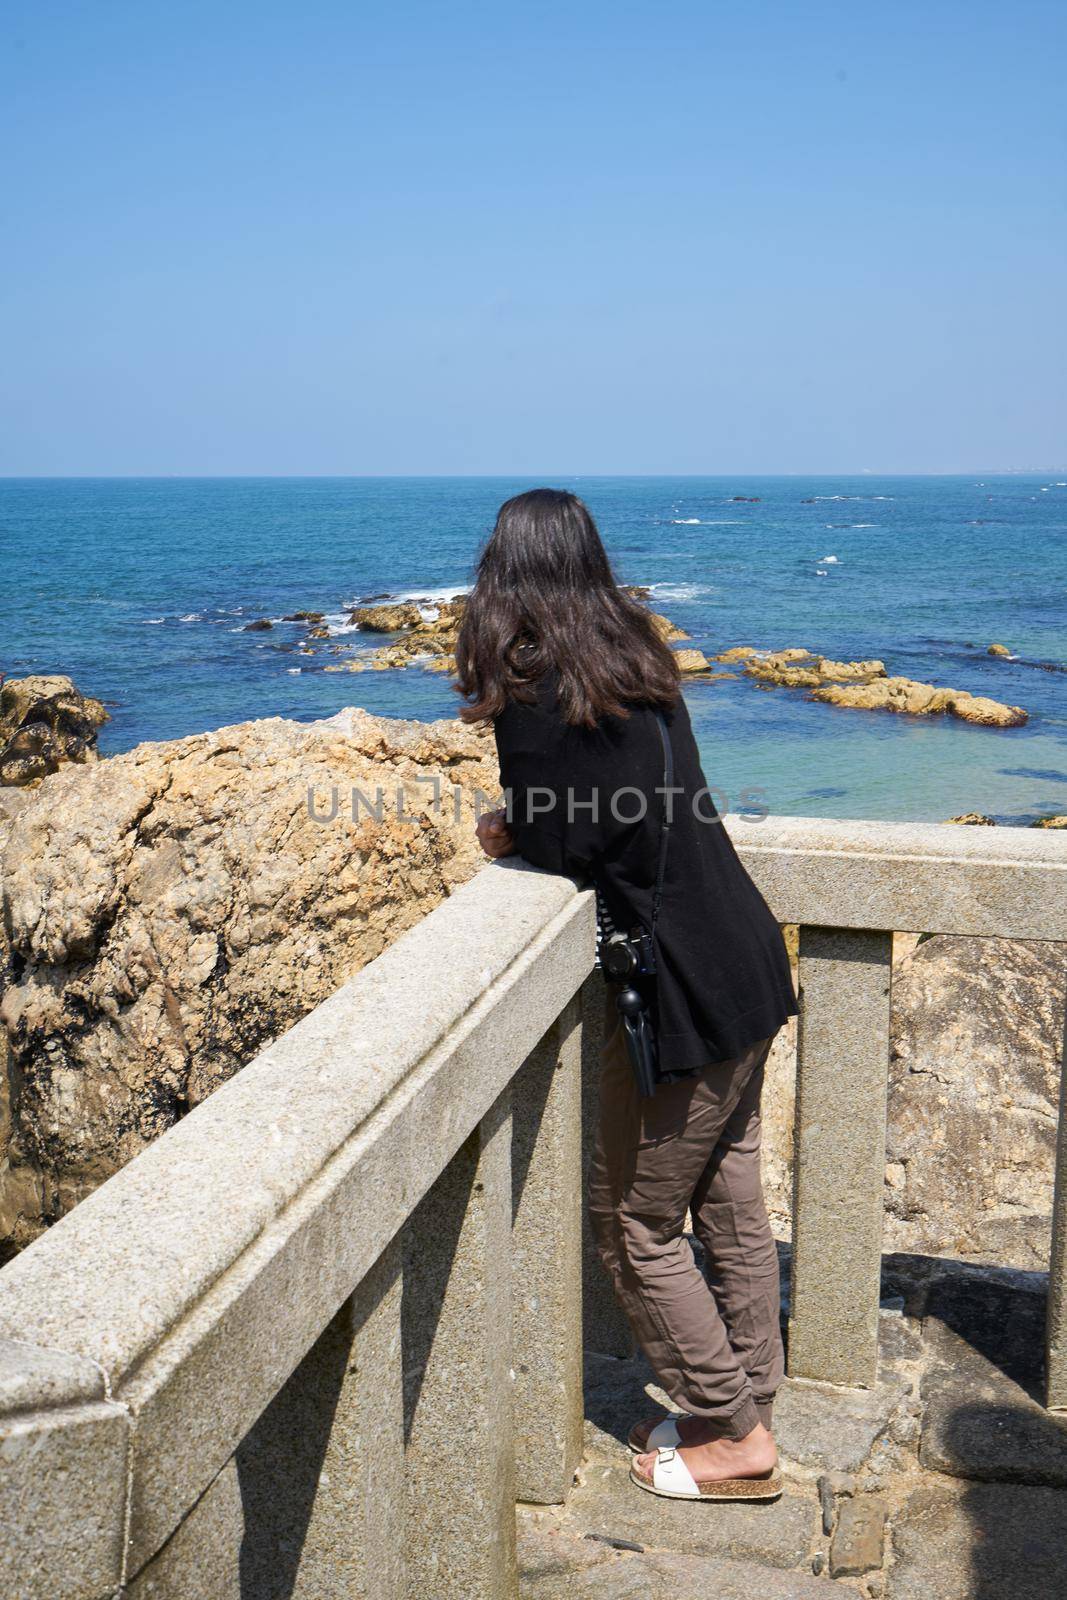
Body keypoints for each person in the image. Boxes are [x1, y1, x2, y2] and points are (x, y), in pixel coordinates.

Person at [457, 488, 799, 1504]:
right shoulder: (633, 652)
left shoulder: (531, 679)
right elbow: (625, 805)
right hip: (745, 950)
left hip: (683, 983)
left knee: (633, 1221)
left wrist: (510, 832)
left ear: (505, 574)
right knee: (728, 1196)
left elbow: (565, 836)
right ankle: (746, 1395)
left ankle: (734, 1439)